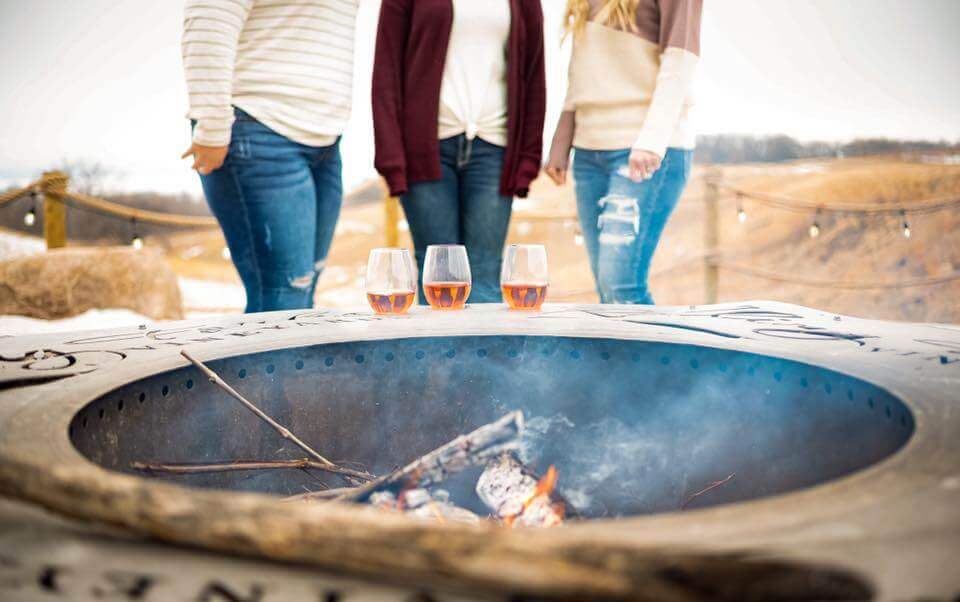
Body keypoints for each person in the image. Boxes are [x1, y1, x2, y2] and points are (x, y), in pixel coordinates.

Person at [181, 0, 359, 312]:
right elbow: (211, 12)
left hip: (326, 140)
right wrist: (211, 123)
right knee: (281, 301)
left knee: (301, 294)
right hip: (258, 129)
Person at [372, 0, 546, 303]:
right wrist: (391, 158)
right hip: (426, 150)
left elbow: (534, 74)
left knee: (485, 276)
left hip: (494, 148)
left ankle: (487, 353)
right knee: (438, 279)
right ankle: (435, 352)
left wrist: (528, 158)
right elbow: (386, 71)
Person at [546, 0, 702, 304]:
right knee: (607, 287)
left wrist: (652, 140)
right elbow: (581, 68)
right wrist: (561, 139)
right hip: (589, 153)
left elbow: (680, 61)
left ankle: (657, 354)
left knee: (621, 284)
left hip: (643, 151)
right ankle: (626, 353)